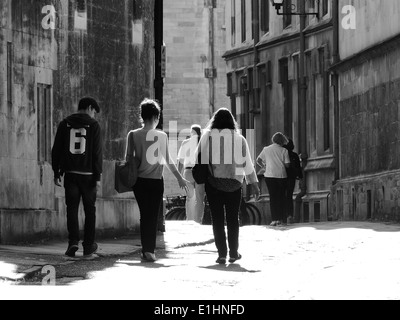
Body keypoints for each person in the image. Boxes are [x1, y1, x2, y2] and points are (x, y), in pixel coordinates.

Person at [126, 98, 188, 263]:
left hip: (139, 181)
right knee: (152, 216)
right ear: (155, 117)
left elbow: (128, 160)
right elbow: (168, 160)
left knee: (144, 215)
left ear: (142, 116)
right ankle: (149, 251)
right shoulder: (161, 136)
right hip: (155, 181)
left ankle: (145, 250)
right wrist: (179, 178)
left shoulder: (132, 135)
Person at [196, 108, 260, 265]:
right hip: (234, 184)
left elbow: (198, 159)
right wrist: (254, 184)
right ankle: (233, 253)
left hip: (214, 184)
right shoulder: (240, 139)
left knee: (217, 219)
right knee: (233, 219)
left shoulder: (207, 137)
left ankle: (221, 254)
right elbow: (247, 163)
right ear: (232, 121)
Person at [52, 97, 103, 258]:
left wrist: (56, 171)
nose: (94, 115)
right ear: (89, 107)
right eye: (94, 111)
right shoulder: (93, 125)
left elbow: (56, 150)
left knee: (72, 209)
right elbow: (97, 153)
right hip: (88, 176)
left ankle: (73, 242)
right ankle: (88, 246)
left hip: (71, 174)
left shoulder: (65, 123)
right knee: (90, 210)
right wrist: (98, 175)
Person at [256, 132, 290, 227]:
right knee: (282, 197)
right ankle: (282, 219)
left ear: (273, 139)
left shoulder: (266, 149)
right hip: (281, 175)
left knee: (273, 197)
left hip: (270, 175)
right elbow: (287, 164)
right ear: (282, 141)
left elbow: (258, 160)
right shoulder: (284, 150)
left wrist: (265, 166)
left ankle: (274, 219)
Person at [177, 125, 206, 224]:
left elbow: (180, 161)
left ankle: (190, 221)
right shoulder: (203, 143)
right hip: (200, 172)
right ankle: (198, 220)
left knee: (190, 198)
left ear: (191, 132)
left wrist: (179, 176)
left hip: (188, 171)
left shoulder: (186, 142)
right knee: (199, 198)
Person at [284, 138, 303, 224]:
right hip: (291, 177)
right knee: (289, 196)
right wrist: (300, 177)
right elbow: (298, 167)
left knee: (282, 196)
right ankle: (290, 215)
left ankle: (283, 215)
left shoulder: (282, 154)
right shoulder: (294, 155)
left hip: (282, 176)